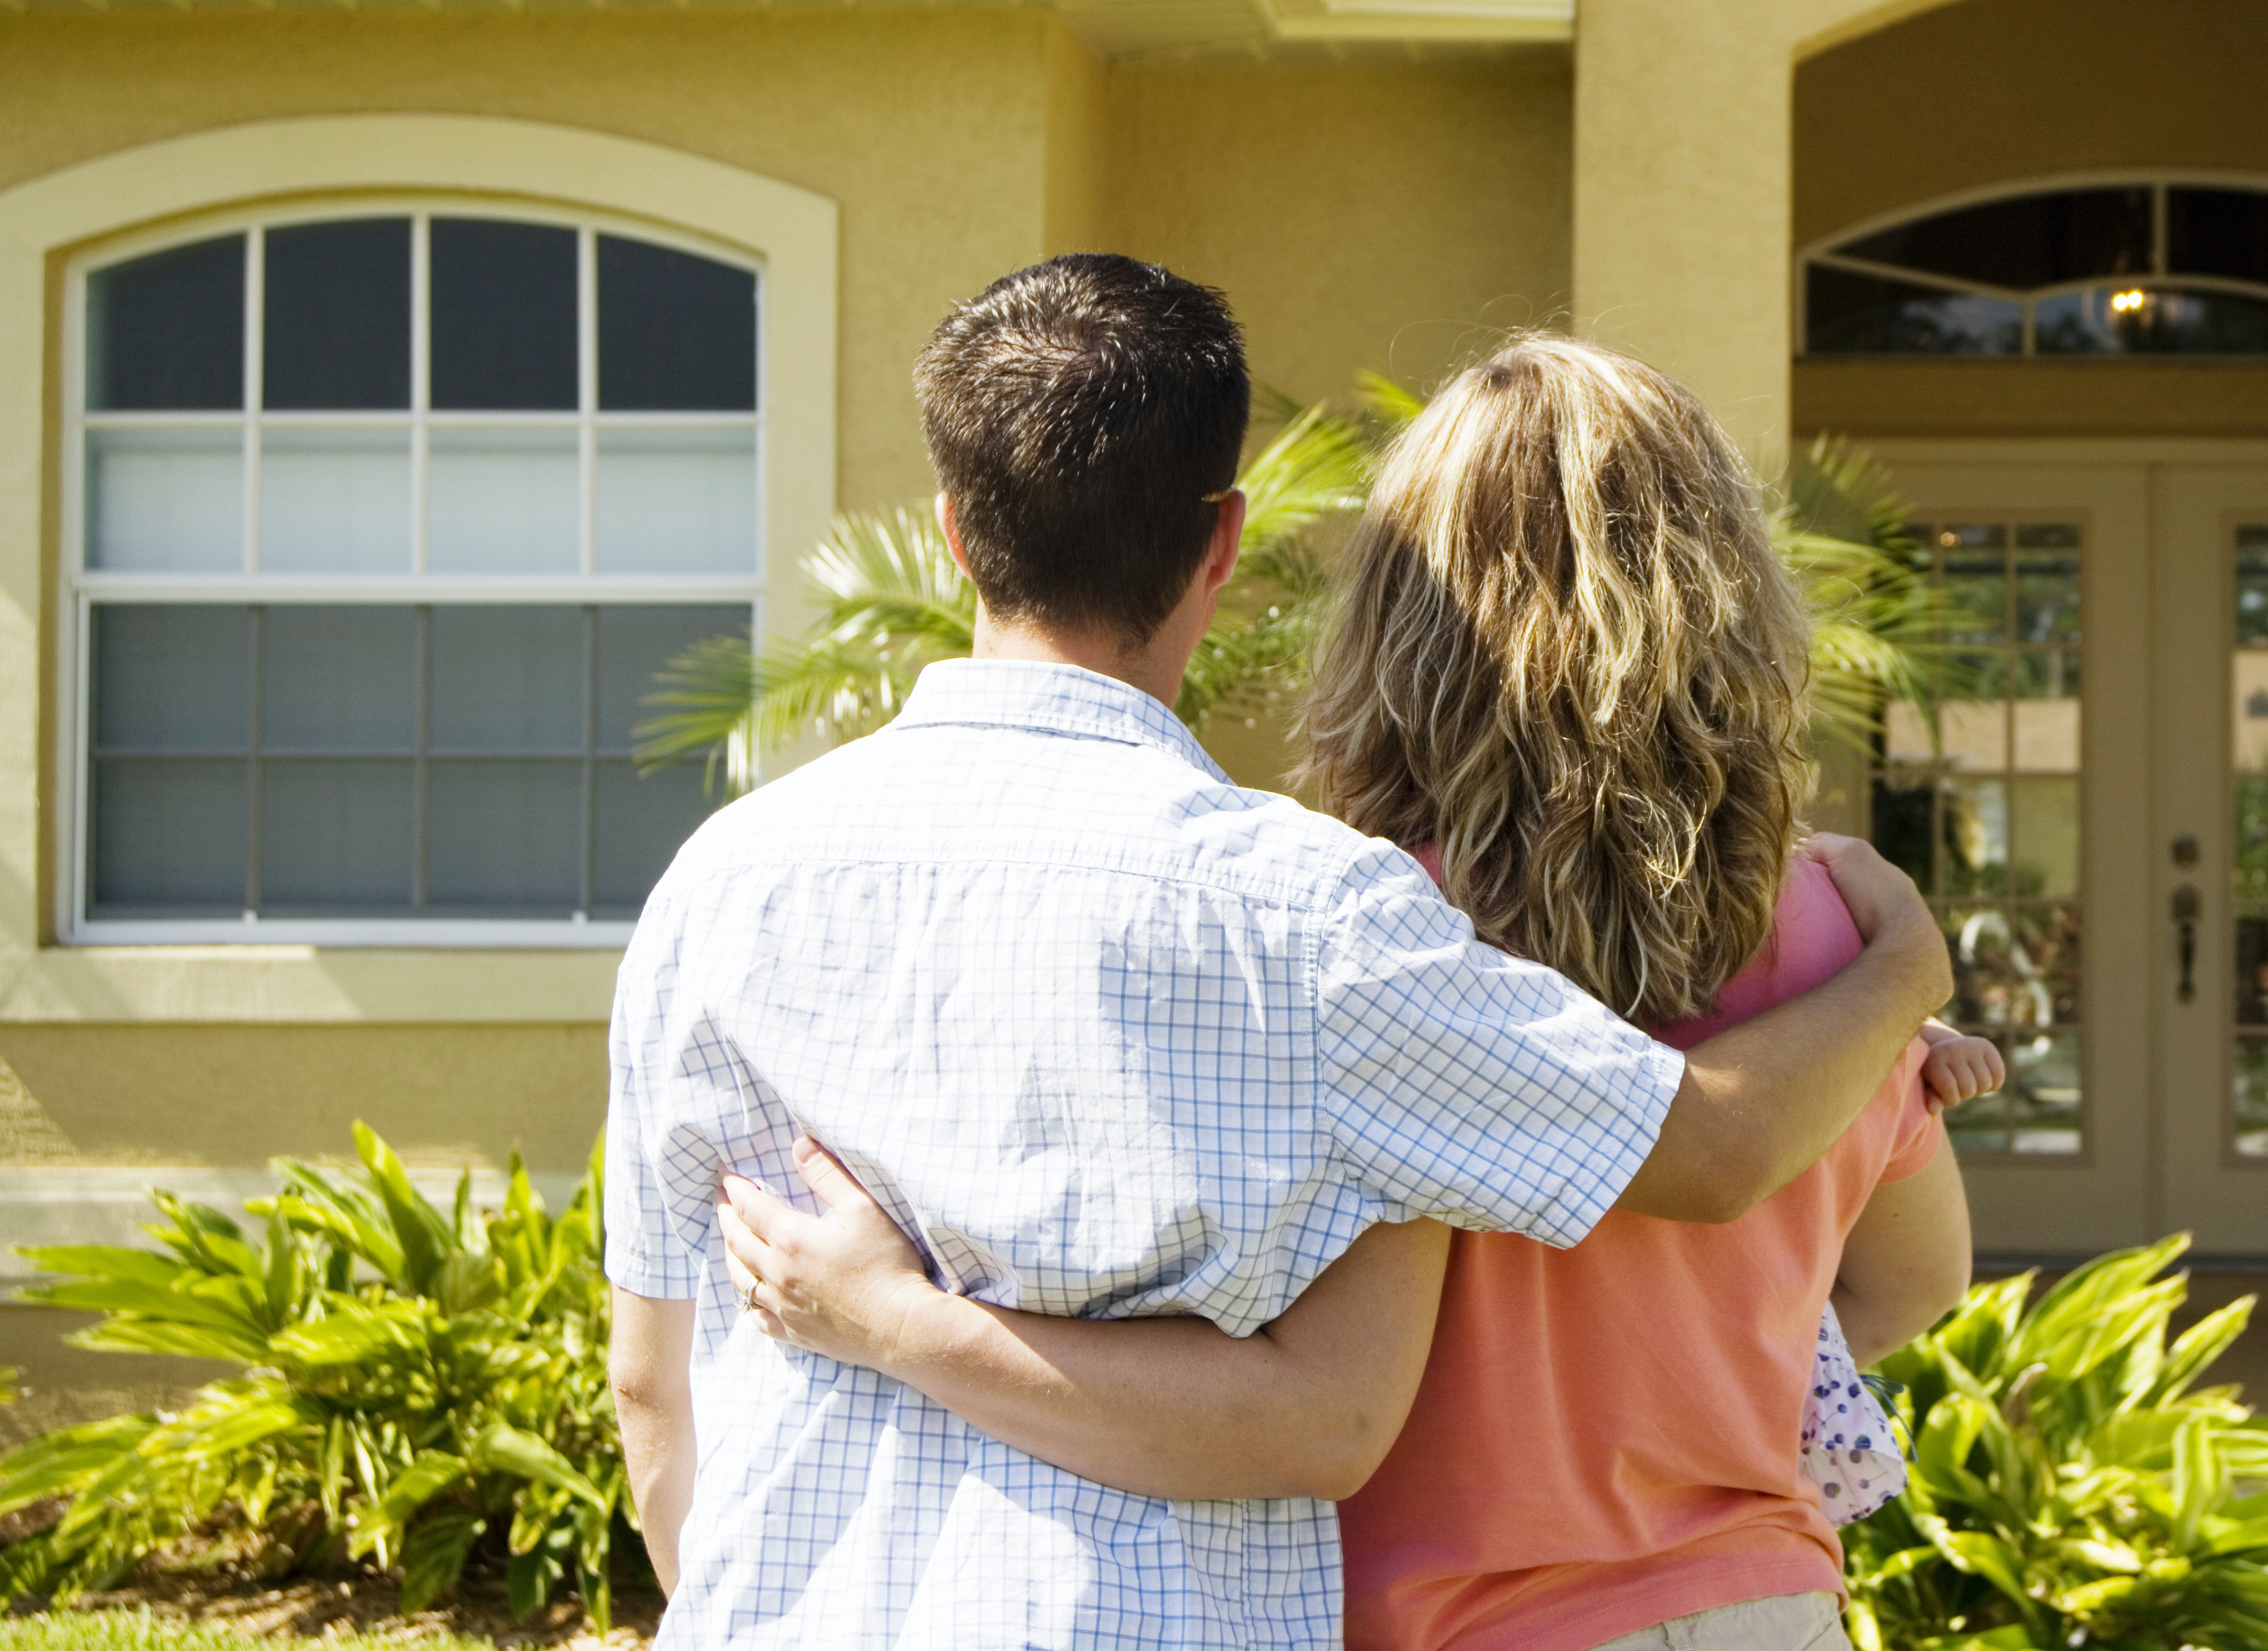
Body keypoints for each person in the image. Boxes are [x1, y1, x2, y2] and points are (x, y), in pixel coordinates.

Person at [602, 259, 1952, 1650]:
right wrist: (1906, 966)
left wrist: (878, 1345)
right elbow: (1704, 1180)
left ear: (953, 530)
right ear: (1223, 543)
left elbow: (653, 1387)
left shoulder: (713, 885)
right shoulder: (1311, 919)